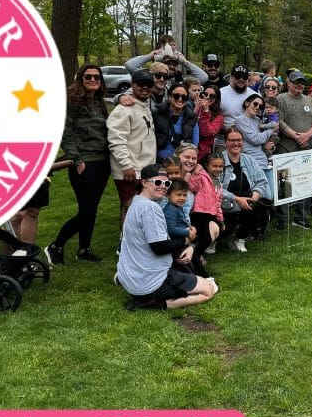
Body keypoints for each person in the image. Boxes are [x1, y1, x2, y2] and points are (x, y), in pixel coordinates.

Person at [116, 165, 218, 311]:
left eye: (167, 183)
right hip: (152, 283)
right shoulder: (151, 208)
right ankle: (155, 304)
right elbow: (160, 248)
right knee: (209, 290)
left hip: (133, 281)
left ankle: (148, 298)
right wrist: (187, 240)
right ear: (144, 182)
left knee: (199, 280)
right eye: (158, 182)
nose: (163, 187)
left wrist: (189, 247)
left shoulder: (135, 202)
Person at [47, 64, 111, 265]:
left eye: (96, 77)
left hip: (103, 162)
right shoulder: (72, 101)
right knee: (87, 211)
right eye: (88, 76)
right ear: (80, 79)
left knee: (91, 208)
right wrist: (77, 159)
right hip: (85, 163)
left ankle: (84, 249)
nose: (93, 80)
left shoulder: (99, 101)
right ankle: (55, 246)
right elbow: (66, 132)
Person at [107, 68, 157, 226]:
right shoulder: (124, 109)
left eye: (148, 84)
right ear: (132, 84)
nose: (145, 87)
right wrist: (126, 165)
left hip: (142, 167)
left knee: (138, 208)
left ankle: (134, 242)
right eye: (140, 83)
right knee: (129, 207)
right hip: (129, 170)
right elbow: (116, 139)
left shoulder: (142, 106)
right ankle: (125, 245)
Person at [275, 69, 312, 229]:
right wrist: (296, 136)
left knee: (305, 183)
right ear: (288, 83)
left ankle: (300, 217)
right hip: (285, 148)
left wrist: (307, 135)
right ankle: (282, 218)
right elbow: (279, 122)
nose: (299, 86)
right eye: (296, 83)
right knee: (284, 183)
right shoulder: (280, 99)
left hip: (305, 150)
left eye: (301, 83)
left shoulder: (309, 101)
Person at [219, 130, 270, 252]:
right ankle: (213, 241)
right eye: (232, 140)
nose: (236, 143)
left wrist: (254, 198)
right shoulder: (218, 161)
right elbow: (215, 188)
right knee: (225, 229)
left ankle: (239, 240)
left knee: (261, 208)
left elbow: (262, 181)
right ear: (226, 143)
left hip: (247, 200)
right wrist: (236, 199)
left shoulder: (249, 160)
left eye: (239, 140)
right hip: (224, 203)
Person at [187, 151, 225, 264]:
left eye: (220, 166)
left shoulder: (219, 183)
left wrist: (221, 219)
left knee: (208, 237)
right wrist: (196, 174)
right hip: (200, 213)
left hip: (211, 214)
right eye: (214, 166)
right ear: (207, 165)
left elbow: (218, 202)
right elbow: (193, 187)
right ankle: (195, 257)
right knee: (206, 239)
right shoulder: (202, 176)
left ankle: (195, 256)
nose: (217, 169)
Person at [153, 82, 199, 159]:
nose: (180, 99)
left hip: (182, 161)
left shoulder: (192, 117)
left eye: (184, 97)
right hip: (161, 159)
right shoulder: (157, 113)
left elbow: (194, 144)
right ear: (170, 96)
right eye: (176, 96)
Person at [232, 94, 277, 170]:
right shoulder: (240, 120)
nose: (257, 107)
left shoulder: (258, 120)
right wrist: (271, 130)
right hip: (250, 163)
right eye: (255, 104)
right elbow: (255, 139)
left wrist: (269, 145)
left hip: (264, 161)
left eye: (260, 106)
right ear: (247, 103)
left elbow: (264, 139)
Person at [196, 85, 224, 157]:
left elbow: (206, 133)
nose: (207, 97)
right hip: (190, 149)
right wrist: (196, 109)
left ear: (216, 99)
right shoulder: (196, 107)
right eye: (205, 94)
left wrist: (205, 111)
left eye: (212, 96)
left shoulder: (218, 117)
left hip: (203, 154)